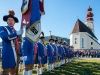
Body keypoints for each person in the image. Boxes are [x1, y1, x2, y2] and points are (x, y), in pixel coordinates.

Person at [0, 10, 23, 75]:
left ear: (14, 22)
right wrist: (16, 34)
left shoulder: (15, 31)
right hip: (8, 54)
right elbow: (5, 38)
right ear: (6, 21)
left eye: (12, 20)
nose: (10, 21)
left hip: (15, 55)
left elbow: (18, 44)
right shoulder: (3, 28)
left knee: (13, 72)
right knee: (5, 72)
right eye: (9, 19)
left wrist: (21, 54)